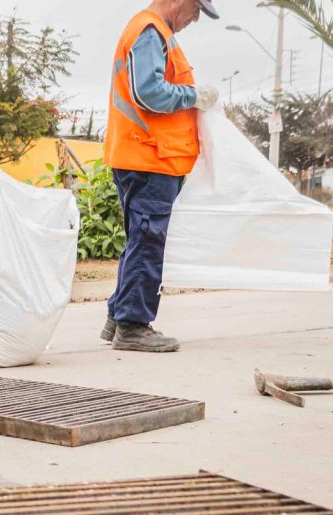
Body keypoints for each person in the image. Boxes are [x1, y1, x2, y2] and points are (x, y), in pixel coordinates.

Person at [101, 0, 220, 352]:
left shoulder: (155, 31)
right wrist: (194, 96)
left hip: (146, 154)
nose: (195, 20)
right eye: (197, 11)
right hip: (150, 156)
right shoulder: (150, 30)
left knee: (140, 238)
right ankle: (133, 326)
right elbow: (147, 92)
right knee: (148, 239)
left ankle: (118, 317)